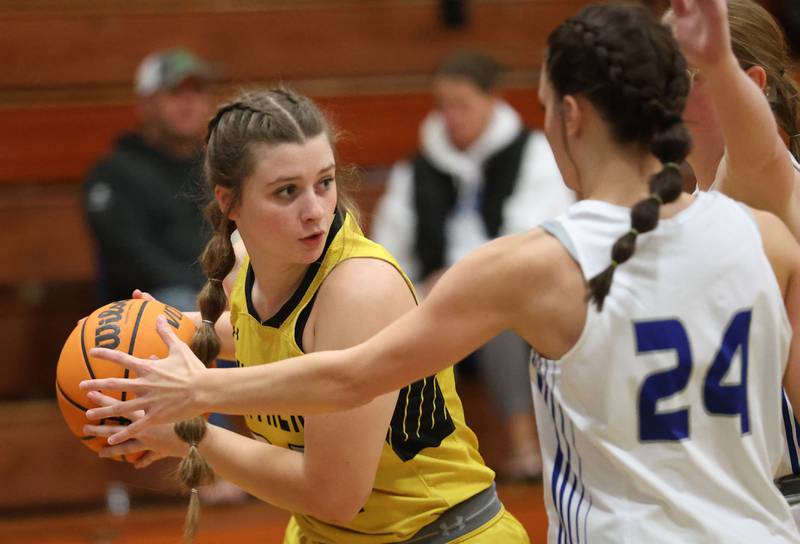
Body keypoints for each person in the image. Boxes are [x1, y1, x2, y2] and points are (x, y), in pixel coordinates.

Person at [82, 3, 800, 542]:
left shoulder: (531, 267)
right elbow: (765, 158)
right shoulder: (764, 234)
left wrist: (199, 397)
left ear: (570, 117)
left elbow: (350, 376)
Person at [84, 88, 528, 543]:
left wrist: (191, 438)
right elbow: (254, 336)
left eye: (325, 183)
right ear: (229, 202)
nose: (315, 211)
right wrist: (156, 335)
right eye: (287, 192)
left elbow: (334, 495)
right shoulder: (241, 268)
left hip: (437, 532)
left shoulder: (360, 290)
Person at [372, 50, 574, 481]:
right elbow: (391, 244)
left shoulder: (533, 152)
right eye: (443, 105)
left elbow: (535, 235)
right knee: (394, 319)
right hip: (432, 293)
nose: (452, 116)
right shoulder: (418, 168)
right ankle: (411, 457)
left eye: (462, 104)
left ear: (490, 100)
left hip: (510, 292)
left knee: (493, 316)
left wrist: (467, 277)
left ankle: (522, 445)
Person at [665, 0, 800, 512]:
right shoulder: (688, 207)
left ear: (754, 83)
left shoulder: (763, 184)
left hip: (781, 506)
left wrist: (716, 62)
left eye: (684, 75)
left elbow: (752, 155)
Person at [83, 48, 215, 310]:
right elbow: (130, 261)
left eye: (197, 91)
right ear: (145, 103)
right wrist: (208, 291)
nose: (188, 102)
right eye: (176, 92)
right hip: (146, 307)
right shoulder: (113, 174)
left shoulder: (217, 168)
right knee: (180, 303)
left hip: (215, 293)